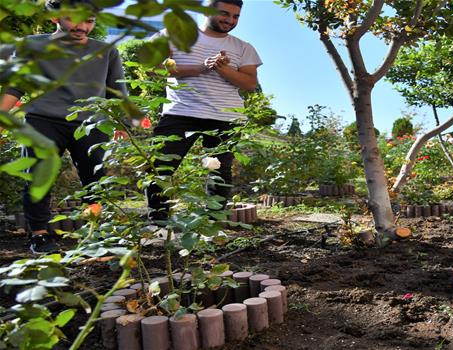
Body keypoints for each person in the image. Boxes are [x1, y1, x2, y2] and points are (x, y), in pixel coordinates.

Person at [0, 0, 126, 254]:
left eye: (89, 21)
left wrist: (121, 124)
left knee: (95, 180)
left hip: (91, 124)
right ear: (55, 17)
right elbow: (15, 85)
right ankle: (40, 235)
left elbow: (117, 91)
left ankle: (97, 233)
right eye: (74, 19)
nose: (82, 26)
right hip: (42, 120)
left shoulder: (107, 51)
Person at [146, 0, 262, 222]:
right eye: (224, 14)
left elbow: (249, 83)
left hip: (226, 117)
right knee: (160, 167)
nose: (230, 20)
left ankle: (213, 223)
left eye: (236, 16)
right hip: (180, 112)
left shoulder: (243, 47)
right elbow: (151, 68)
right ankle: (158, 223)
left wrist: (222, 68)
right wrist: (201, 67)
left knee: (219, 172)